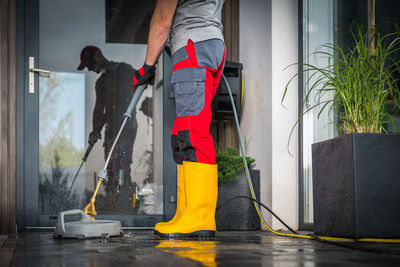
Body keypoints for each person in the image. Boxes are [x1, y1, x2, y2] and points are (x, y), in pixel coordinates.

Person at [133, 0, 225, 238]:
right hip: (211, 44)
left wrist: (147, 67)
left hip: (193, 45)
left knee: (192, 131)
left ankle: (199, 217)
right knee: (185, 129)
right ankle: (187, 215)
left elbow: (163, 19)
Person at [77, 45, 138, 212]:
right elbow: (99, 110)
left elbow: (140, 85)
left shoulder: (125, 70)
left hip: (126, 127)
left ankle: (127, 207)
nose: (90, 69)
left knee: (123, 167)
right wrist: (95, 131)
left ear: (97, 56)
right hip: (111, 130)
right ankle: (113, 205)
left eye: (89, 65)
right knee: (110, 168)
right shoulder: (101, 82)